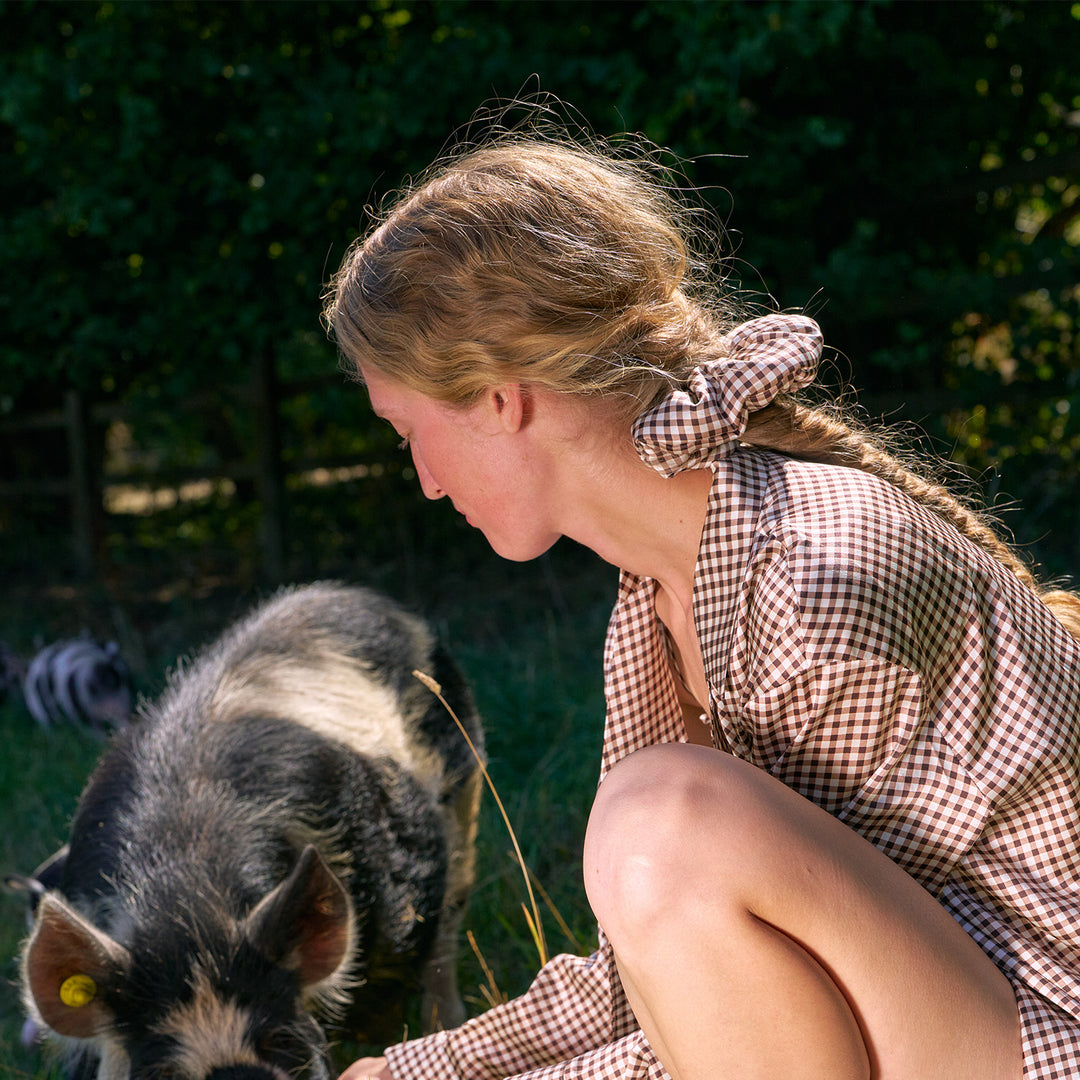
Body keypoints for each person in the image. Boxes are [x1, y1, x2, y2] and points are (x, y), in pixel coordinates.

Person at [322, 133, 1080, 1080]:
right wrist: (405, 1073)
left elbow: (759, 1035)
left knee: (659, 823)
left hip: (1045, 1036)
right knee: (657, 831)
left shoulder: (809, 589)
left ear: (496, 397)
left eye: (410, 436)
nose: (427, 483)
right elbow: (666, 984)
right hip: (967, 1030)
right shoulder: (661, 601)